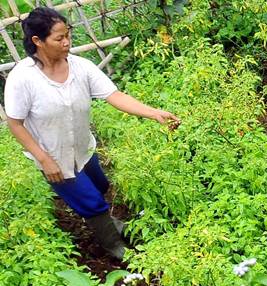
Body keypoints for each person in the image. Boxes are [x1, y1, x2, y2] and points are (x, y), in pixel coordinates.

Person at [4, 7, 180, 260]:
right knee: (91, 202)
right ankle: (114, 247)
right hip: (54, 157)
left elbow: (115, 95)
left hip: (83, 149)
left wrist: (153, 113)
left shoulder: (80, 67)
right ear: (37, 41)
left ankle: (112, 225)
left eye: (68, 35)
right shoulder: (23, 78)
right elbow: (15, 124)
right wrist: (43, 159)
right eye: (59, 38)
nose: (67, 43)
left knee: (100, 186)